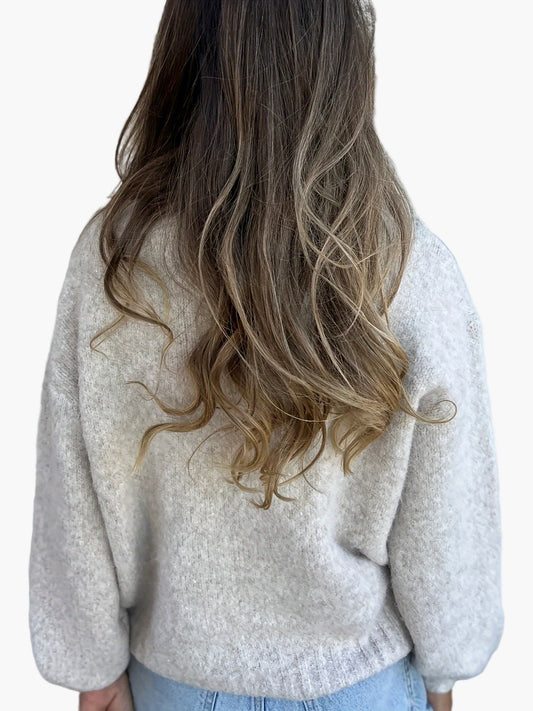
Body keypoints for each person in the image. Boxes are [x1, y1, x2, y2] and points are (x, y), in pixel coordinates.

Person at [28, 1, 504, 710]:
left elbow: (71, 490)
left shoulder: (115, 263)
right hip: (362, 688)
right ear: (343, 66)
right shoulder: (410, 269)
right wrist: (445, 671)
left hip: (174, 685)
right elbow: (448, 518)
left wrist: (91, 668)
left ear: (183, 53)